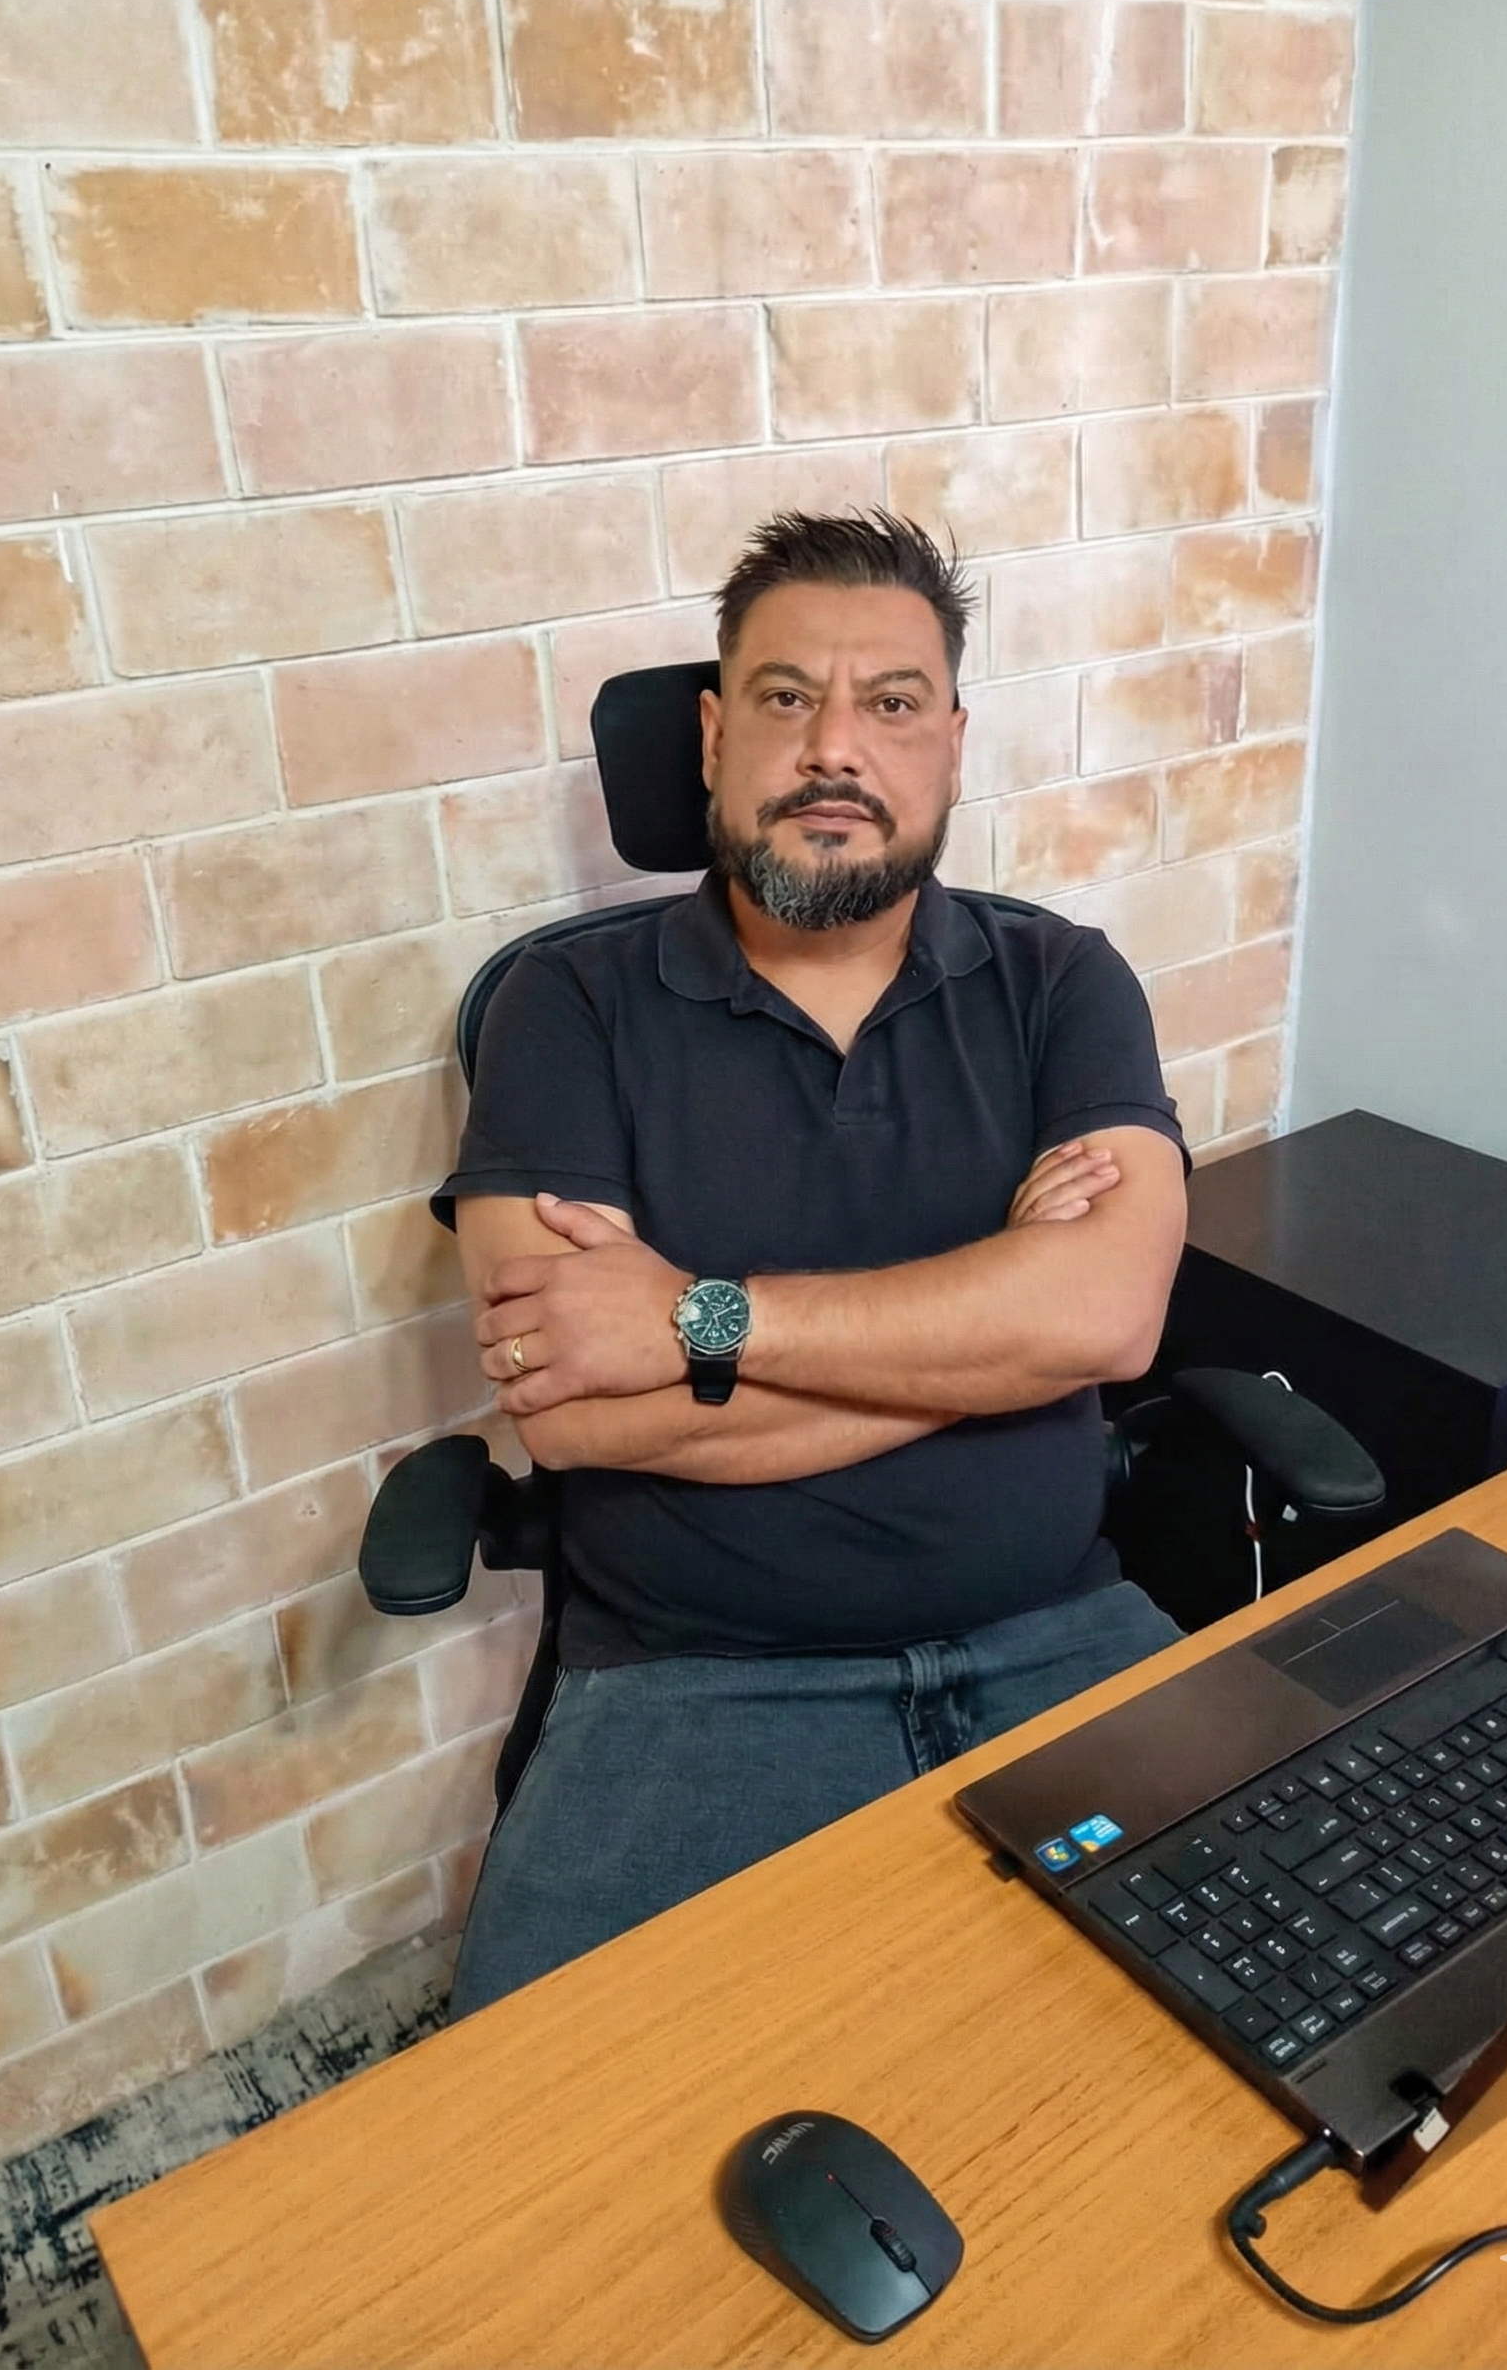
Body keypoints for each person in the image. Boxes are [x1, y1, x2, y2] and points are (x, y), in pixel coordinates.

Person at [431, 510, 1189, 2018]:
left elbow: (1108, 1319)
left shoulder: (1063, 984)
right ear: (715, 739)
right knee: (546, 2132)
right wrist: (995, 1338)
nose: (835, 746)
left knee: (1311, 2004)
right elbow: (572, 1413)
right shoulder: (567, 1007)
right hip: (696, 1682)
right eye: (787, 698)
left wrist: (698, 1320)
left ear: (951, 747)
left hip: (1057, 1637)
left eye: (891, 703)